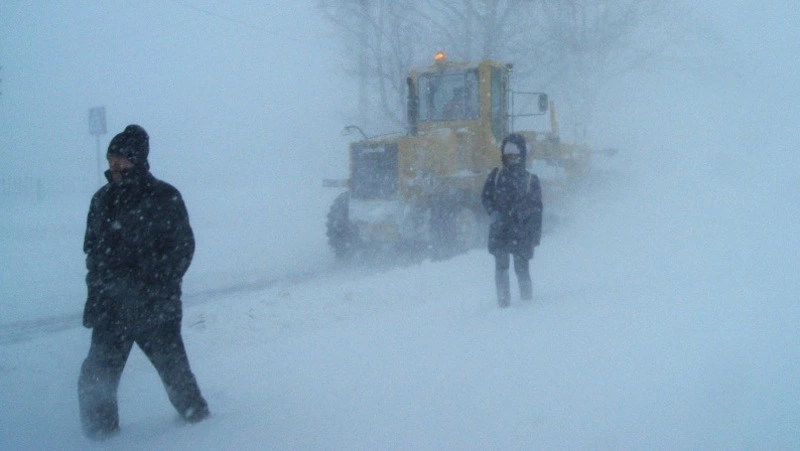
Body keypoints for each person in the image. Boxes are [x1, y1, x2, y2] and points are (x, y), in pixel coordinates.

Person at [78, 124, 209, 439]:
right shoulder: (102, 200)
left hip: (154, 308)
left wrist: (155, 286)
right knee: (96, 379)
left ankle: (202, 426)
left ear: (138, 159)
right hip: (111, 309)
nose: (115, 165)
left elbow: (182, 249)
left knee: (175, 375)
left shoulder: (165, 196)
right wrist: (96, 297)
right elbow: (93, 254)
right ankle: (100, 439)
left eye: (122, 158)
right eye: (112, 158)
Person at [481, 133, 543, 308]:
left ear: (521, 154)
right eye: (508, 153)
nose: (511, 157)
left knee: (521, 268)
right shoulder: (496, 175)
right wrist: (493, 212)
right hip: (500, 231)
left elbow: (537, 210)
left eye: (514, 153)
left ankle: (527, 301)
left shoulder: (531, 180)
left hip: (521, 232)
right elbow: (486, 197)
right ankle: (503, 302)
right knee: (501, 267)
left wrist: (534, 235)